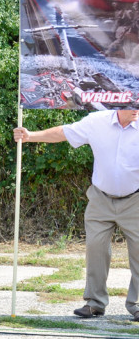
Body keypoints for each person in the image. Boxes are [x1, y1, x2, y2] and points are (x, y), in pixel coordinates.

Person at [14, 109, 139, 320]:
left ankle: (137, 304)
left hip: (135, 200)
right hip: (100, 198)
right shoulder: (97, 121)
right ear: (119, 100)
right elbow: (64, 132)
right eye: (133, 102)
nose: (136, 107)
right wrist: (30, 135)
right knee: (95, 247)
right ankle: (95, 302)